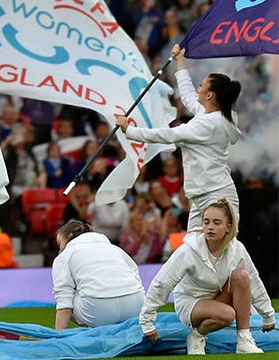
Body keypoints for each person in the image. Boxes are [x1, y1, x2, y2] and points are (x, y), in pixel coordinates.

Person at [117, 44, 242, 231]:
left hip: (215, 196)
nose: (198, 88)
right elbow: (187, 95)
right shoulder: (214, 115)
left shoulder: (206, 124)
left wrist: (130, 131)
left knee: (223, 250)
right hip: (202, 195)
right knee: (194, 248)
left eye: (201, 85)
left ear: (209, 95)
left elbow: (169, 135)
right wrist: (180, 61)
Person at [140, 198, 274, 354]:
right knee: (227, 314)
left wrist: (267, 315)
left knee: (242, 276)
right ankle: (197, 335)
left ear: (228, 227)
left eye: (217, 223)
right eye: (206, 222)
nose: (210, 227)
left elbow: (253, 280)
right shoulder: (188, 250)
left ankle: (244, 340)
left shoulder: (237, 248)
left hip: (217, 298)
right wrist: (147, 320)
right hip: (191, 302)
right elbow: (162, 282)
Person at [51, 220, 144, 330]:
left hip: (98, 312)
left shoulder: (64, 256)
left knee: (68, 295)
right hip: (135, 307)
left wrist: (58, 337)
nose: (60, 249)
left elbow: (64, 304)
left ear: (70, 236)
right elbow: (135, 276)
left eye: (60, 243)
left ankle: (96, 333)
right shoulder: (116, 249)